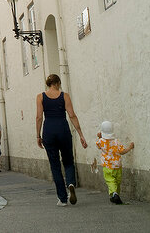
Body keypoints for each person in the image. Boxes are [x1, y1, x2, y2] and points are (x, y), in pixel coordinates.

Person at [35, 73, 88, 206]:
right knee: (68, 161)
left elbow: (39, 117)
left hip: (49, 131)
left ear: (48, 84)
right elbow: (72, 115)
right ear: (58, 83)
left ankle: (62, 199)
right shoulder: (65, 96)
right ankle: (70, 183)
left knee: (55, 165)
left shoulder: (40, 97)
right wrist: (81, 134)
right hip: (63, 129)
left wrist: (38, 135)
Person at [95, 121, 134, 204]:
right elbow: (122, 151)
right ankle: (116, 195)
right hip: (117, 165)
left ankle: (115, 194)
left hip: (107, 166)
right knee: (117, 181)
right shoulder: (116, 141)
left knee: (110, 181)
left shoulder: (101, 141)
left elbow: (98, 146)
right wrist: (130, 148)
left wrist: (99, 137)